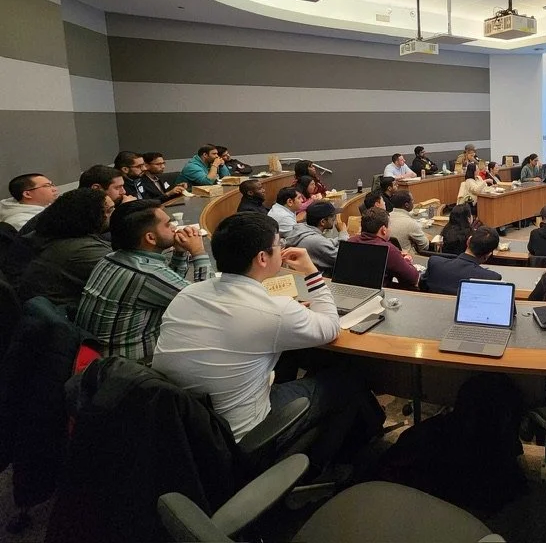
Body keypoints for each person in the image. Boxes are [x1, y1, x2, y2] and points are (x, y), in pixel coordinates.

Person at [153, 213, 381, 475]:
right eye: (278, 244)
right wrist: (310, 272)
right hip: (244, 440)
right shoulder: (275, 310)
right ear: (262, 258)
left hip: (192, 432)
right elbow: (331, 328)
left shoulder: (187, 294)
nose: (281, 248)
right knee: (348, 380)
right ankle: (319, 469)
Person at [74, 200, 209, 362]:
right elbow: (207, 303)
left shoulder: (111, 258)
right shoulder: (146, 273)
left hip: (100, 356)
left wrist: (179, 253)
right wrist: (198, 251)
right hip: (133, 366)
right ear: (150, 238)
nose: (174, 228)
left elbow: (167, 285)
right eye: (168, 225)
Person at [14, 189, 113, 309]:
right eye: (109, 210)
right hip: (70, 314)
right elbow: (129, 277)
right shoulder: (83, 251)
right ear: (89, 216)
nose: (114, 214)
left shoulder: (53, 234)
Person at [350, 207, 420, 290]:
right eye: (389, 226)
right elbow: (413, 278)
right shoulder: (388, 249)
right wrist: (406, 260)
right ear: (383, 229)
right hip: (378, 295)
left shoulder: (350, 242)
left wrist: (397, 256)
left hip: (350, 292)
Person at [421, 226, 501, 295]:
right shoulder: (491, 279)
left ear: (468, 241)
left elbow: (422, 287)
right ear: (488, 255)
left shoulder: (435, 263)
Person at [287, 200, 348, 274]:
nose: (335, 219)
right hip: (319, 278)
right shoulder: (315, 240)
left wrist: (340, 237)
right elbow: (342, 258)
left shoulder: (301, 230)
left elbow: (326, 243)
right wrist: (343, 232)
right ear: (323, 222)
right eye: (332, 217)